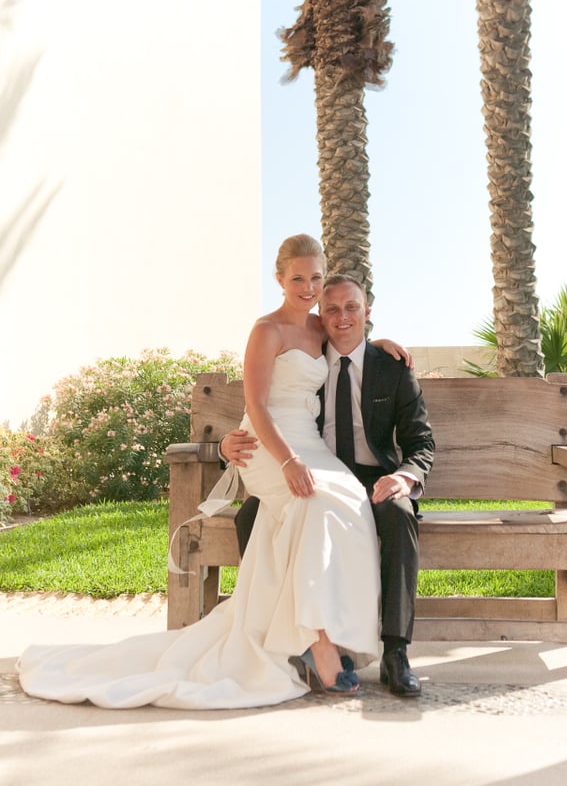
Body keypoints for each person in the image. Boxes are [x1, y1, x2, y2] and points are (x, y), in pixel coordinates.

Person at [18, 234, 406, 709]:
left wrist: (380, 340)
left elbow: (351, 336)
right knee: (315, 503)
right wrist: (285, 460)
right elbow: (257, 406)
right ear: (280, 279)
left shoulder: (320, 327)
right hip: (267, 445)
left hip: (309, 445)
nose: (308, 287)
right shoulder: (266, 331)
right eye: (298, 278)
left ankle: (335, 632)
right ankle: (316, 640)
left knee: (347, 501)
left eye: (316, 278)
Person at [221, 272, 435, 697]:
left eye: (352, 308)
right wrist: (227, 443)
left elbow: (421, 442)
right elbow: (273, 404)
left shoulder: (391, 368)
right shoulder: (310, 348)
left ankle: (395, 650)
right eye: (332, 309)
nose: (342, 318)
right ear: (319, 314)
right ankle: (295, 640)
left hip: (373, 478)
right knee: (253, 516)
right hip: (312, 470)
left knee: (397, 514)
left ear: (367, 312)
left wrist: (403, 476)